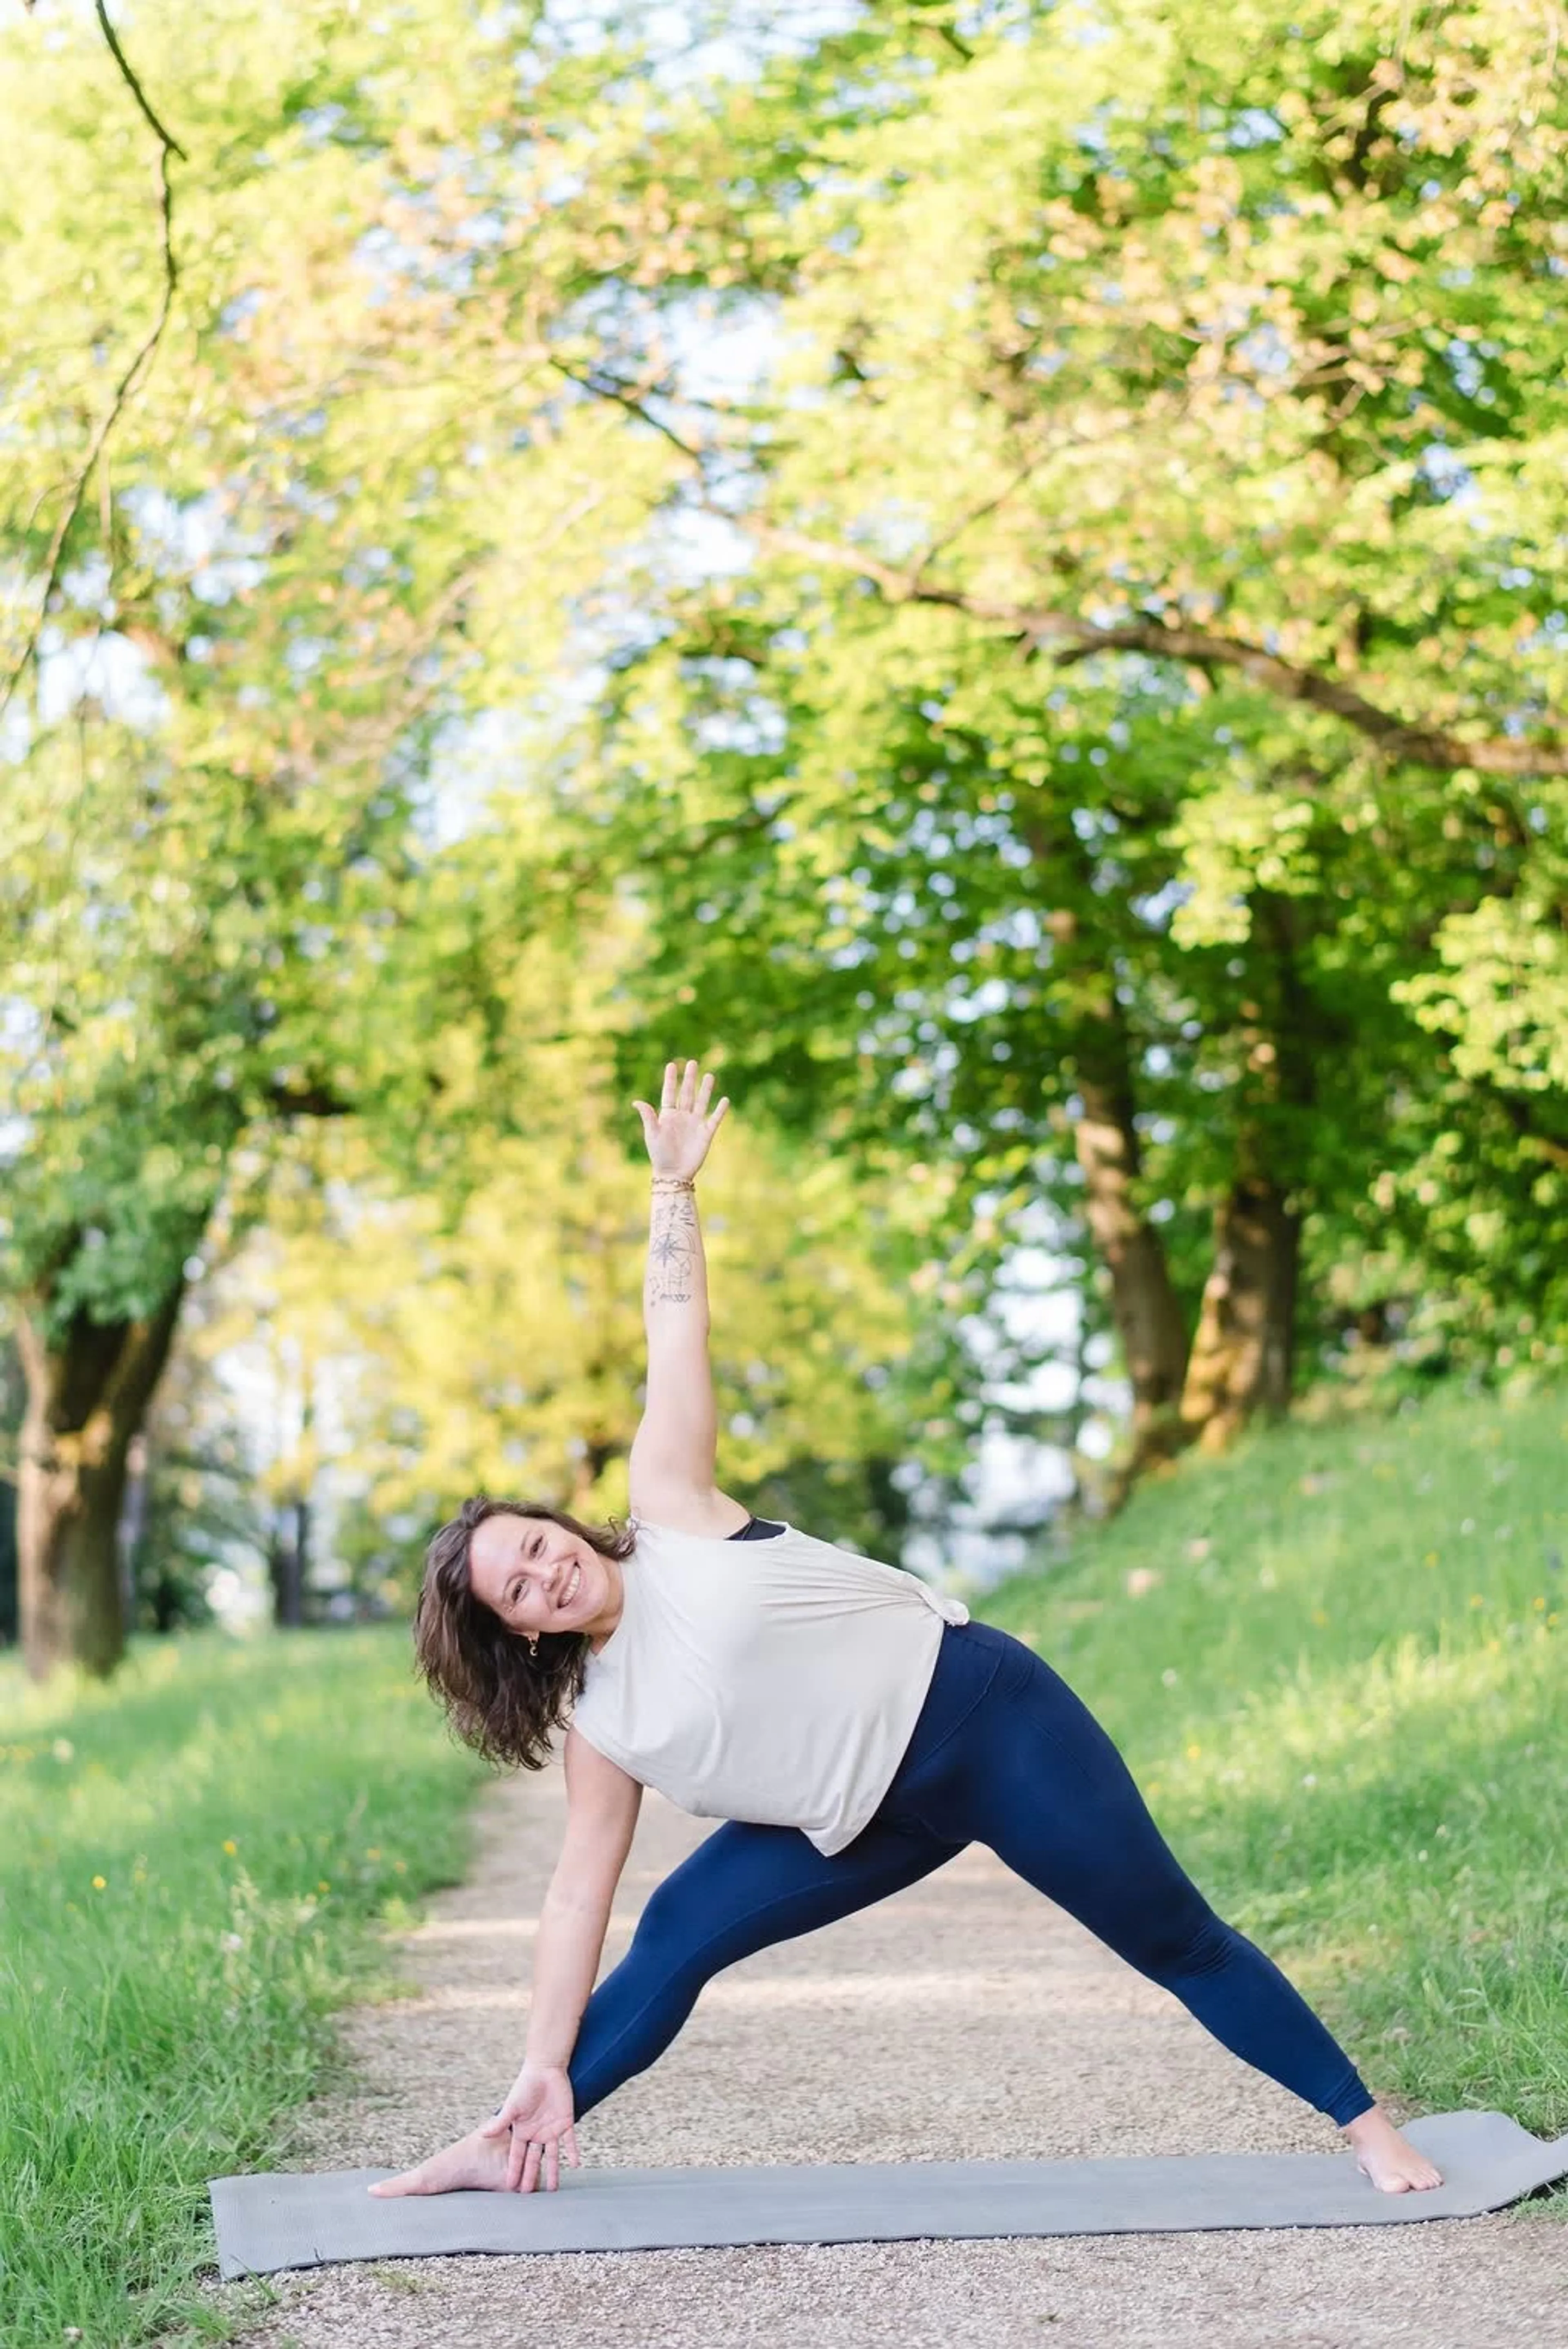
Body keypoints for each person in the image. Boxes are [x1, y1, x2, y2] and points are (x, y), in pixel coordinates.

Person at [372, 1059, 1443, 2204]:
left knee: (1171, 1935)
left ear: (555, 1522)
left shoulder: (669, 1508)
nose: (547, 1571)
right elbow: (576, 1898)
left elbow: (674, 1330)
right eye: (519, 1588)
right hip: (867, 1820)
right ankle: (515, 2131)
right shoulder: (602, 1725)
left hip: (988, 1722)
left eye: (536, 1543)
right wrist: (543, 2057)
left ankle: (1367, 2125)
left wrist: (672, 1193)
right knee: (679, 1924)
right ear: (517, 1634)